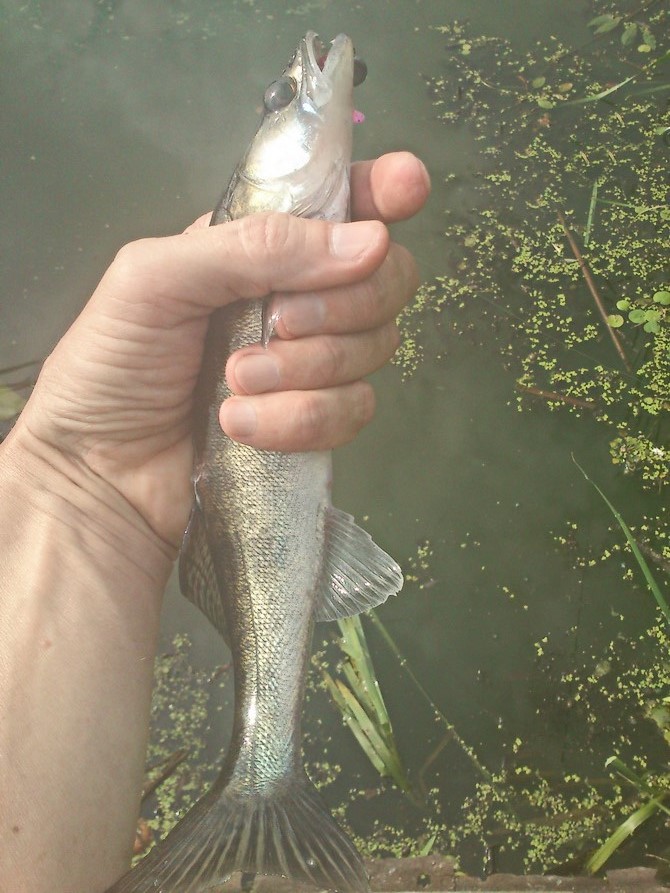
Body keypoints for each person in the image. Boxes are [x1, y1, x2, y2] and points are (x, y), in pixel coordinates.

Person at [0, 151, 430, 893]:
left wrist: (82, 489)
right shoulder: (254, 231)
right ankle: (263, 777)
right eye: (281, 97)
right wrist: (78, 480)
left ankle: (261, 785)